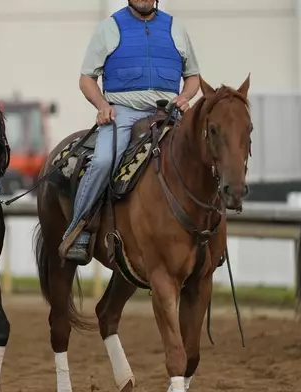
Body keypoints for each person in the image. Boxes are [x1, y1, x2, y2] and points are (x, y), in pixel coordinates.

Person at [63, 0, 202, 263]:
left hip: (169, 112)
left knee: (203, 155)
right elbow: (86, 79)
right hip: (123, 112)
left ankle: (210, 235)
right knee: (104, 160)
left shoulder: (176, 29)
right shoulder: (109, 28)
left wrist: (185, 96)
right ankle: (78, 230)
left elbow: (193, 76)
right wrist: (102, 105)